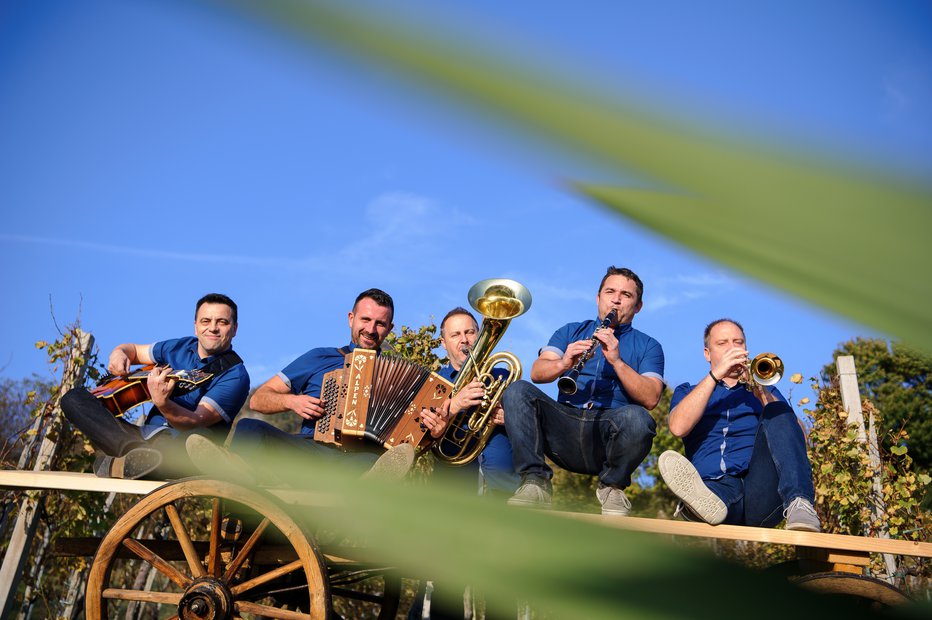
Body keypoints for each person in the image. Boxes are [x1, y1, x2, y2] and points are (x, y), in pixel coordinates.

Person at [194, 288, 449, 481]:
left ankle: (368, 490)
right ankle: (234, 484)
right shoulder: (320, 357)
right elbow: (259, 399)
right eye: (365, 320)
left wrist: (434, 432)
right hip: (310, 453)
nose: (370, 329)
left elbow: (414, 441)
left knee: (382, 462)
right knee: (250, 428)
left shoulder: (404, 378)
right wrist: (292, 401)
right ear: (351, 318)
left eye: (380, 323)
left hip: (359, 461)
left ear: (389, 328)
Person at [502, 266, 664, 515]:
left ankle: (612, 487)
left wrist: (617, 362)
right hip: (565, 424)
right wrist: (565, 363)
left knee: (639, 418)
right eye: (610, 292)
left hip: (608, 433)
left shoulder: (649, 345)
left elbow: (652, 397)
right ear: (598, 298)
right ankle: (535, 483)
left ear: (638, 306)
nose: (616, 299)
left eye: (626, 295)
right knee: (517, 391)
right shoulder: (570, 331)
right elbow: (537, 372)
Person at [61, 293, 250, 480]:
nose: (213, 328)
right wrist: (119, 353)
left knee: (197, 439)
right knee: (73, 399)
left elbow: (194, 422)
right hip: (142, 438)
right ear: (195, 326)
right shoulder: (180, 346)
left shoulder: (235, 375)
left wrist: (162, 403)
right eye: (205, 321)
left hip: (179, 449)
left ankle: (124, 462)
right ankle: (133, 454)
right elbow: (133, 350)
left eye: (222, 322)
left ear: (234, 329)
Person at [659, 318, 821, 532]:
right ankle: (696, 505)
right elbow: (678, 427)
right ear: (707, 354)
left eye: (738, 342)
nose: (732, 349)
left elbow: (798, 436)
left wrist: (761, 392)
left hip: (761, 493)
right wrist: (716, 375)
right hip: (716, 487)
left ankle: (799, 504)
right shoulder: (689, 390)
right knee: (715, 496)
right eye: (723, 343)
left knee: (780, 410)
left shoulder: (766, 391)